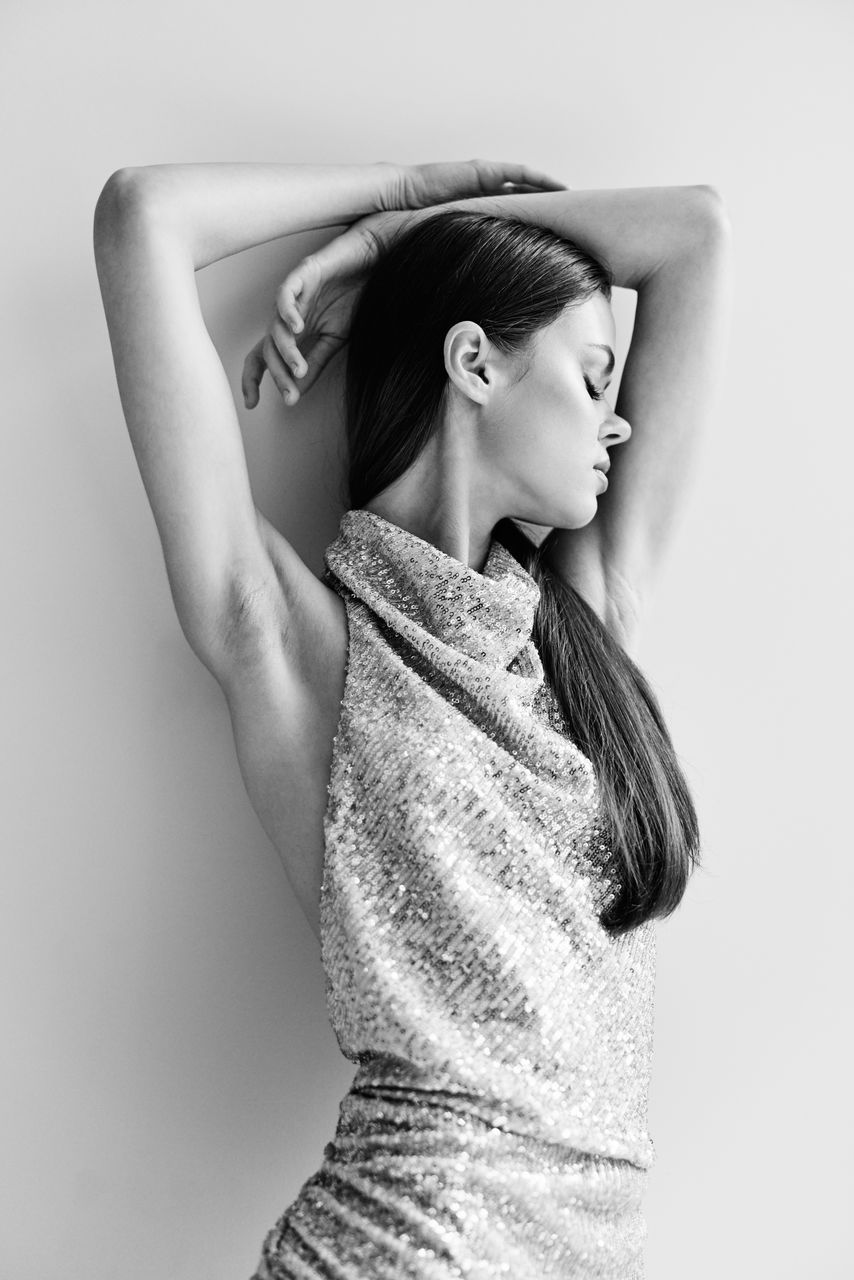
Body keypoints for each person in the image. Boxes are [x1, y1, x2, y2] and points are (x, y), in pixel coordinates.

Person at [94, 159, 731, 1279]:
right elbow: (143, 218)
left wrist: (399, 240)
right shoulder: (303, 648)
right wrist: (402, 195)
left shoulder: (575, 640)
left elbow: (691, 235)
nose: (616, 421)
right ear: (473, 359)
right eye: (591, 378)